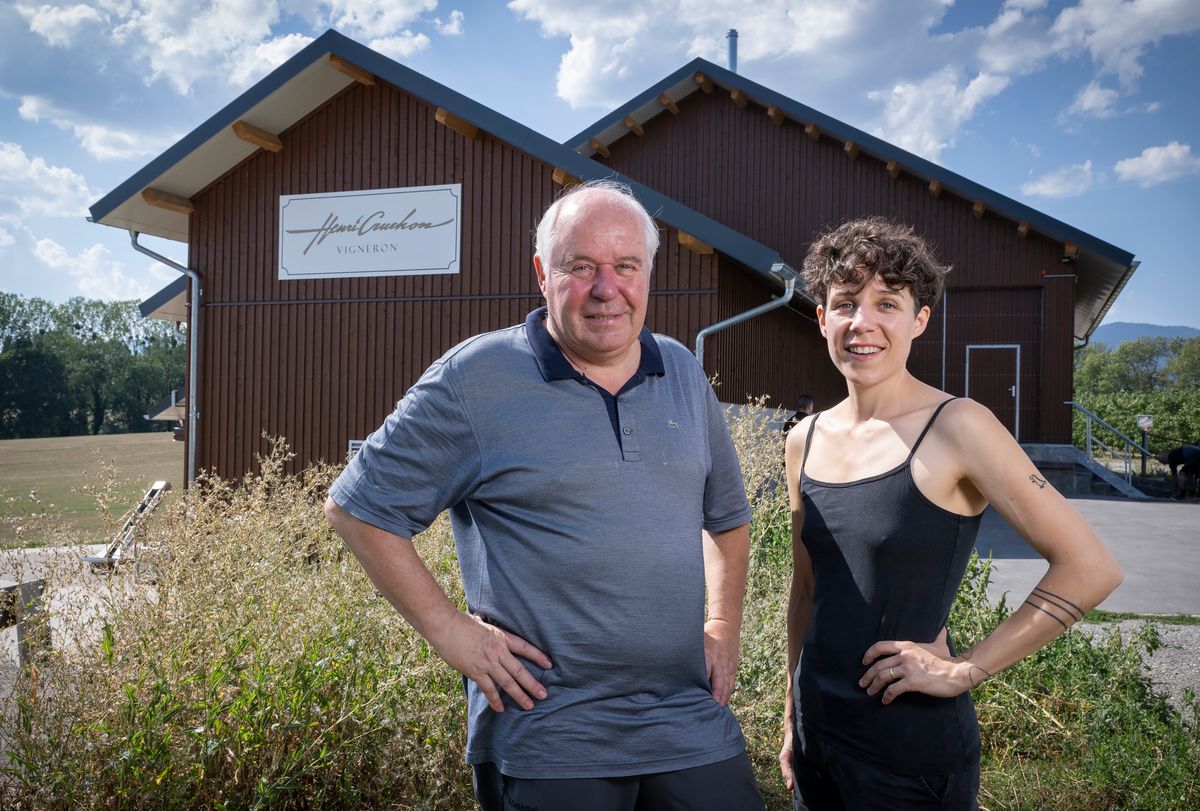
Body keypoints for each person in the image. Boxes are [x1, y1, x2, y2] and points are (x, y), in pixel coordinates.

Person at [325, 179, 764, 810]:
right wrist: (449, 630)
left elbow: (726, 518)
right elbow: (357, 508)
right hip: (551, 734)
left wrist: (722, 625)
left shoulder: (682, 372)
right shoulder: (476, 379)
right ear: (542, 273)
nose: (605, 289)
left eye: (625, 267)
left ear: (648, 274)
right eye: (581, 267)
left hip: (688, 721)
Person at [777, 218, 1123, 810]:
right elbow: (806, 589)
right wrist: (791, 716)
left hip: (909, 757)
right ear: (822, 318)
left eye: (887, 303)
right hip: (818, 740)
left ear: (919, 319)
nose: (863, 324)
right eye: (845, 304)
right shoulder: (803, 439)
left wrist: (965, 671)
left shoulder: (959, 427)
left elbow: (1089, 568)